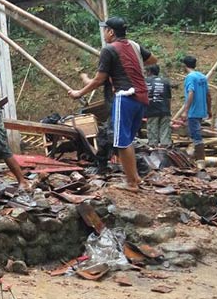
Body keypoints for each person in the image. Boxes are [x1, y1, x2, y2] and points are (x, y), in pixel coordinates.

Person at [68, 17, 157, 191]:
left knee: (122, 142)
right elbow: (153, 59)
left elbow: (99, 79)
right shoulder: (134, 46)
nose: (104, 34)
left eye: (105, 31)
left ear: (110, 32)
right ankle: (136, 178)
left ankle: (131, 183)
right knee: (128, 140)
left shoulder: (109, 50)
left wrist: (79, 92)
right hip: (142, 97)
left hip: (125, 97)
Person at [180, 55, 211, 162]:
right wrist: (209, 109)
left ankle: (200, 161)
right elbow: (208, 95)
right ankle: (196, 158)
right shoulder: (202, 77)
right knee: (195, 134)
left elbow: (191, 92)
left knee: (196, 136)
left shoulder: (190, 77)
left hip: (193, 112)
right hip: (201, 111)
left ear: (184, 65)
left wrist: (185, 111)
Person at [145, 64, 172, 147]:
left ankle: (154, 152)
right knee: (165, 132)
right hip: (165, 110)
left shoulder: (145, 81)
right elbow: (169, 98)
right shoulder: (165, 81)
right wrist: (168, 110)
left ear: (149, 71)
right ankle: (165, 151)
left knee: (152, 133)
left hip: (152, 110)